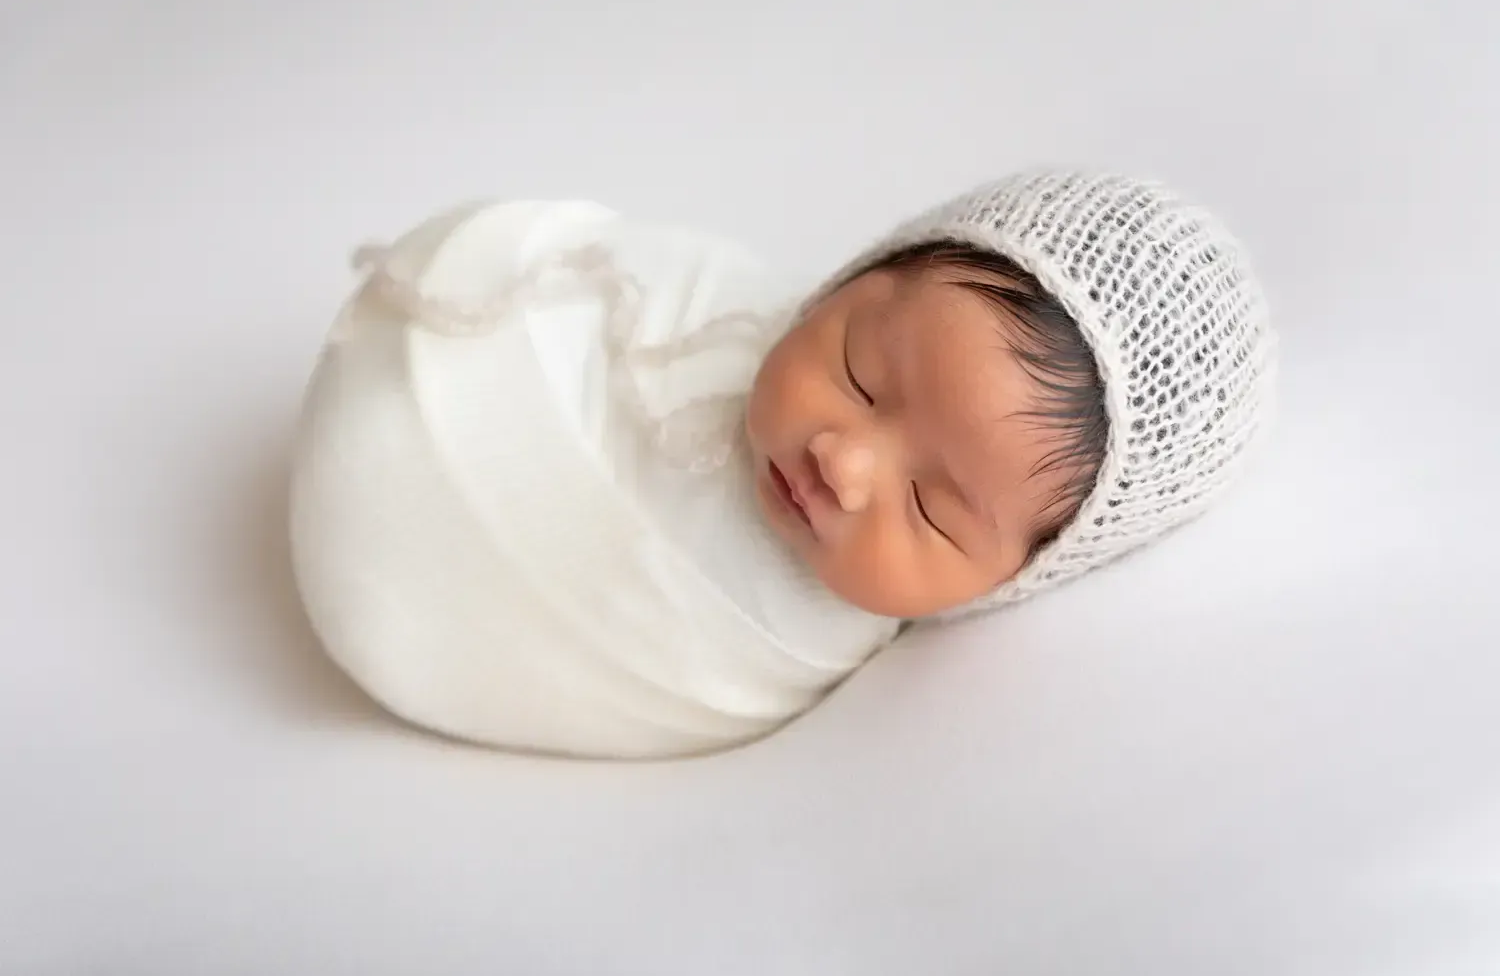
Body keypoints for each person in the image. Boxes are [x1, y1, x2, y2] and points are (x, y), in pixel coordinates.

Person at [289, 170, 1275, 759]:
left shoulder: (789, 637)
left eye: (932, 512)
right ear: (844, 282)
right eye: (856, 369)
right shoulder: (713, 301)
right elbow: (571, 256)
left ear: (1015, 581)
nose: (842, 462)